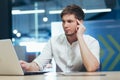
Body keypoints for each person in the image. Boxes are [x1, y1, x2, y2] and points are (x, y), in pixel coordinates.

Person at [20, 4, 100, 72]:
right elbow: (38, 64)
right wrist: (27, 66)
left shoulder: (92, 42)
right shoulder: (54, 41)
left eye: (69, 21)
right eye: (63, 21)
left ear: (80, 23)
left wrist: (80, 37)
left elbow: (92, 67)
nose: (65, 25)